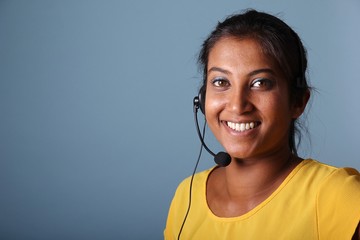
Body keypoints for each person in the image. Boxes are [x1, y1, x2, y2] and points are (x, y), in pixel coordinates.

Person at [164, 9, 360, 240]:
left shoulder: (337, 195)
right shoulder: (186, 195)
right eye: (220, 81)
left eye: (260, 83)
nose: (237, 106)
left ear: (297, 102)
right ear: (202, 97)